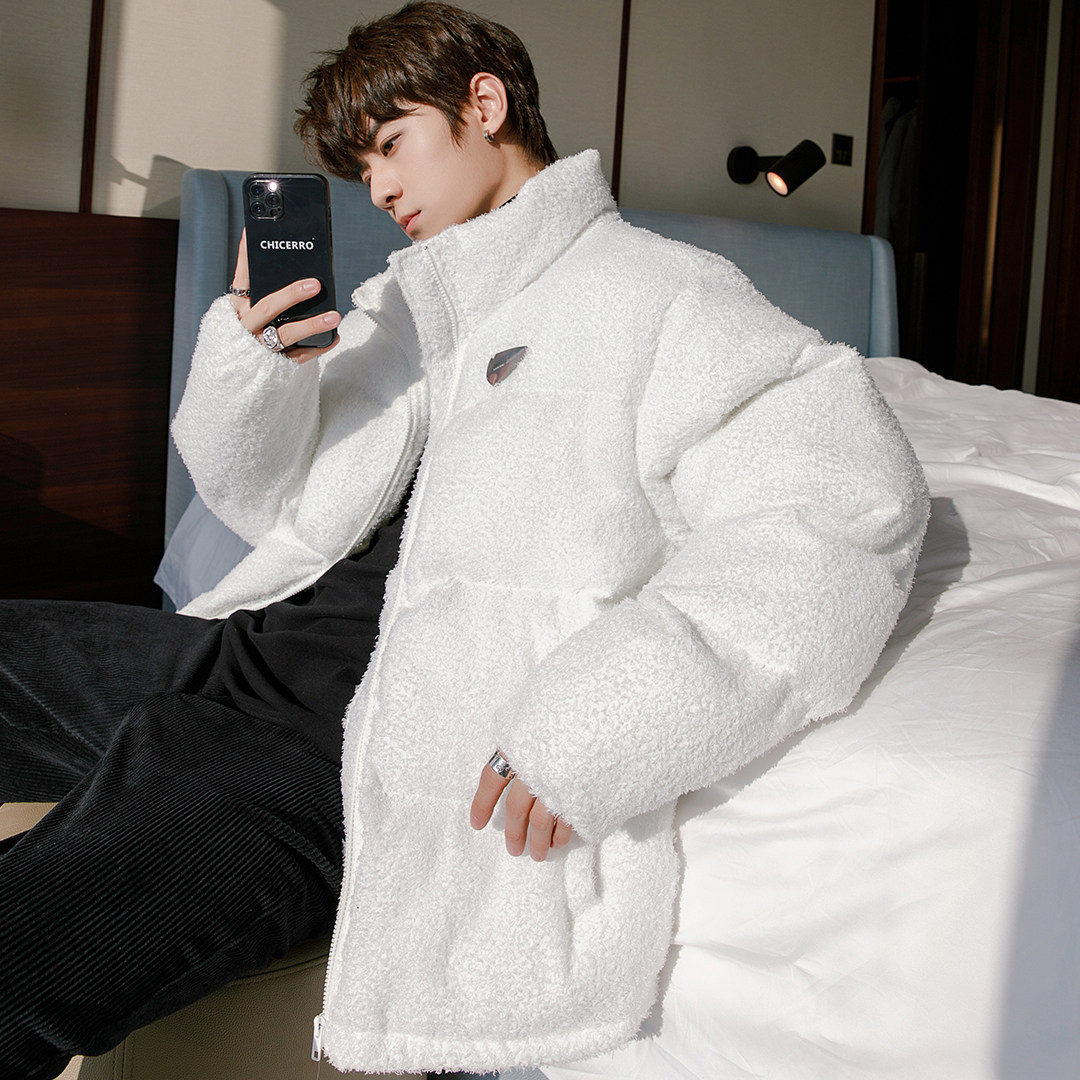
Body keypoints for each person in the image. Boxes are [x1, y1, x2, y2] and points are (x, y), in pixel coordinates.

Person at [0, 3, 929, 1078]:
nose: (380, 190)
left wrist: (598, 723)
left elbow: (841, 511)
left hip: (336, 753)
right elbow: (260, 500)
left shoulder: (665, 294)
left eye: (392, 145)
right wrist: (258, 366)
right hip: (233, 653)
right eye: (364, 170)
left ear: (483, 103)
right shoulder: (401, 311)